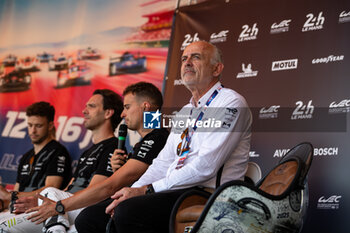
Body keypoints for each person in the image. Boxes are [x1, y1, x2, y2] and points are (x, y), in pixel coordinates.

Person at [78, 40, 253, 233]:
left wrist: (145, 190)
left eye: (196, 57)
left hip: (208, 194)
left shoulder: (230, 102)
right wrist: (131, 191)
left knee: (128, 212)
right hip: (172, 190)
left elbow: (205, 167)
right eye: (184, 58)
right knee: (89, 217)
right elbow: (162, 163)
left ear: (216, 68)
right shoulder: (185, 112)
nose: (187, 62)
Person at [25, 82, 169, 233]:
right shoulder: (146, 142)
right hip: (111, 212)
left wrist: (59, 206)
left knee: (54, 196)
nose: (122, 114)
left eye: (127, 107)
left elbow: (110, 186)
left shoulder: (157, 138)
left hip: (135, 214)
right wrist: (118, 169)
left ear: (145, 107)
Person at [0, 89, 123, 233]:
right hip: (64, 206)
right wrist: (41, 202)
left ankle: (56, 228)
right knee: (3, 225)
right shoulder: (87, 152)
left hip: (79, 208)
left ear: (108, 113)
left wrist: (57, 203)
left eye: (91, 106)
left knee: (50, 191)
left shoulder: (113, 147)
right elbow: (66, 190)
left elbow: (96, 192)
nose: (84, 111)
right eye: (85, 106)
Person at [0, 101, 71, 214]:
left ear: (50, 125)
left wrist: (11, 195)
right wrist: (4, 201)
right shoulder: (26, 156)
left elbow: (51, 189)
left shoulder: (58, 152)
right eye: (30, 125)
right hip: (17, 210)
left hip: (40, 210)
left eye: (38, 126)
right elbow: (17, 190)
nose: (33, 130)